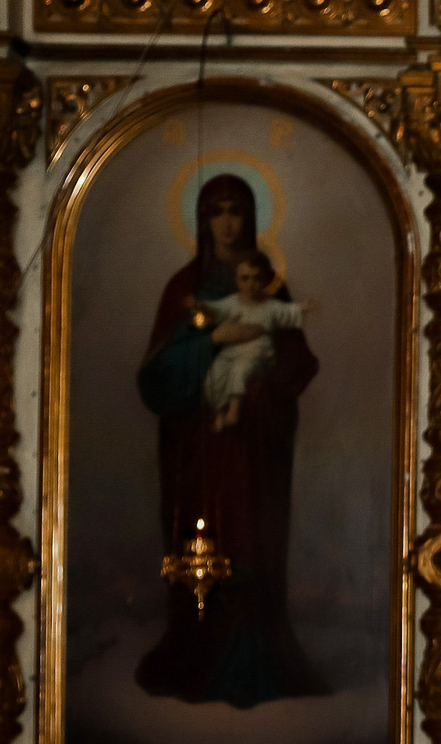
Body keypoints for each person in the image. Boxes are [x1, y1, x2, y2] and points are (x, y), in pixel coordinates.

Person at [134, 173, 329, 708]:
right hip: (196, 448)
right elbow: (156, 377)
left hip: (253, 448)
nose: (226, 222)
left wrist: (266, 381)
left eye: (235, 210)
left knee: (251, 544)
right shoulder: (183, 287)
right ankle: (197, 657)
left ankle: (255, 663)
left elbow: (296, 359)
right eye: (216, 211)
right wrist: (211, 345)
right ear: (202, 220)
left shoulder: (270, 288)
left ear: (251, 218)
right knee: (201, 554)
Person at [200, 253, 317, 430]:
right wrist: (201, 306)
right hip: (233, 349)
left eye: (256, 278)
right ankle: (218, 412)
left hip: (258, 350)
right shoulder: (232, 302)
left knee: (239, 369)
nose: (251, 284)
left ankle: (233, 412)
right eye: (245, 278)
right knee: (215, 374)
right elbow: (215, 309)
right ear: (236, 280)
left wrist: (303, 308)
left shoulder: (269, 305)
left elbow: (287, 312)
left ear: (264, 280)